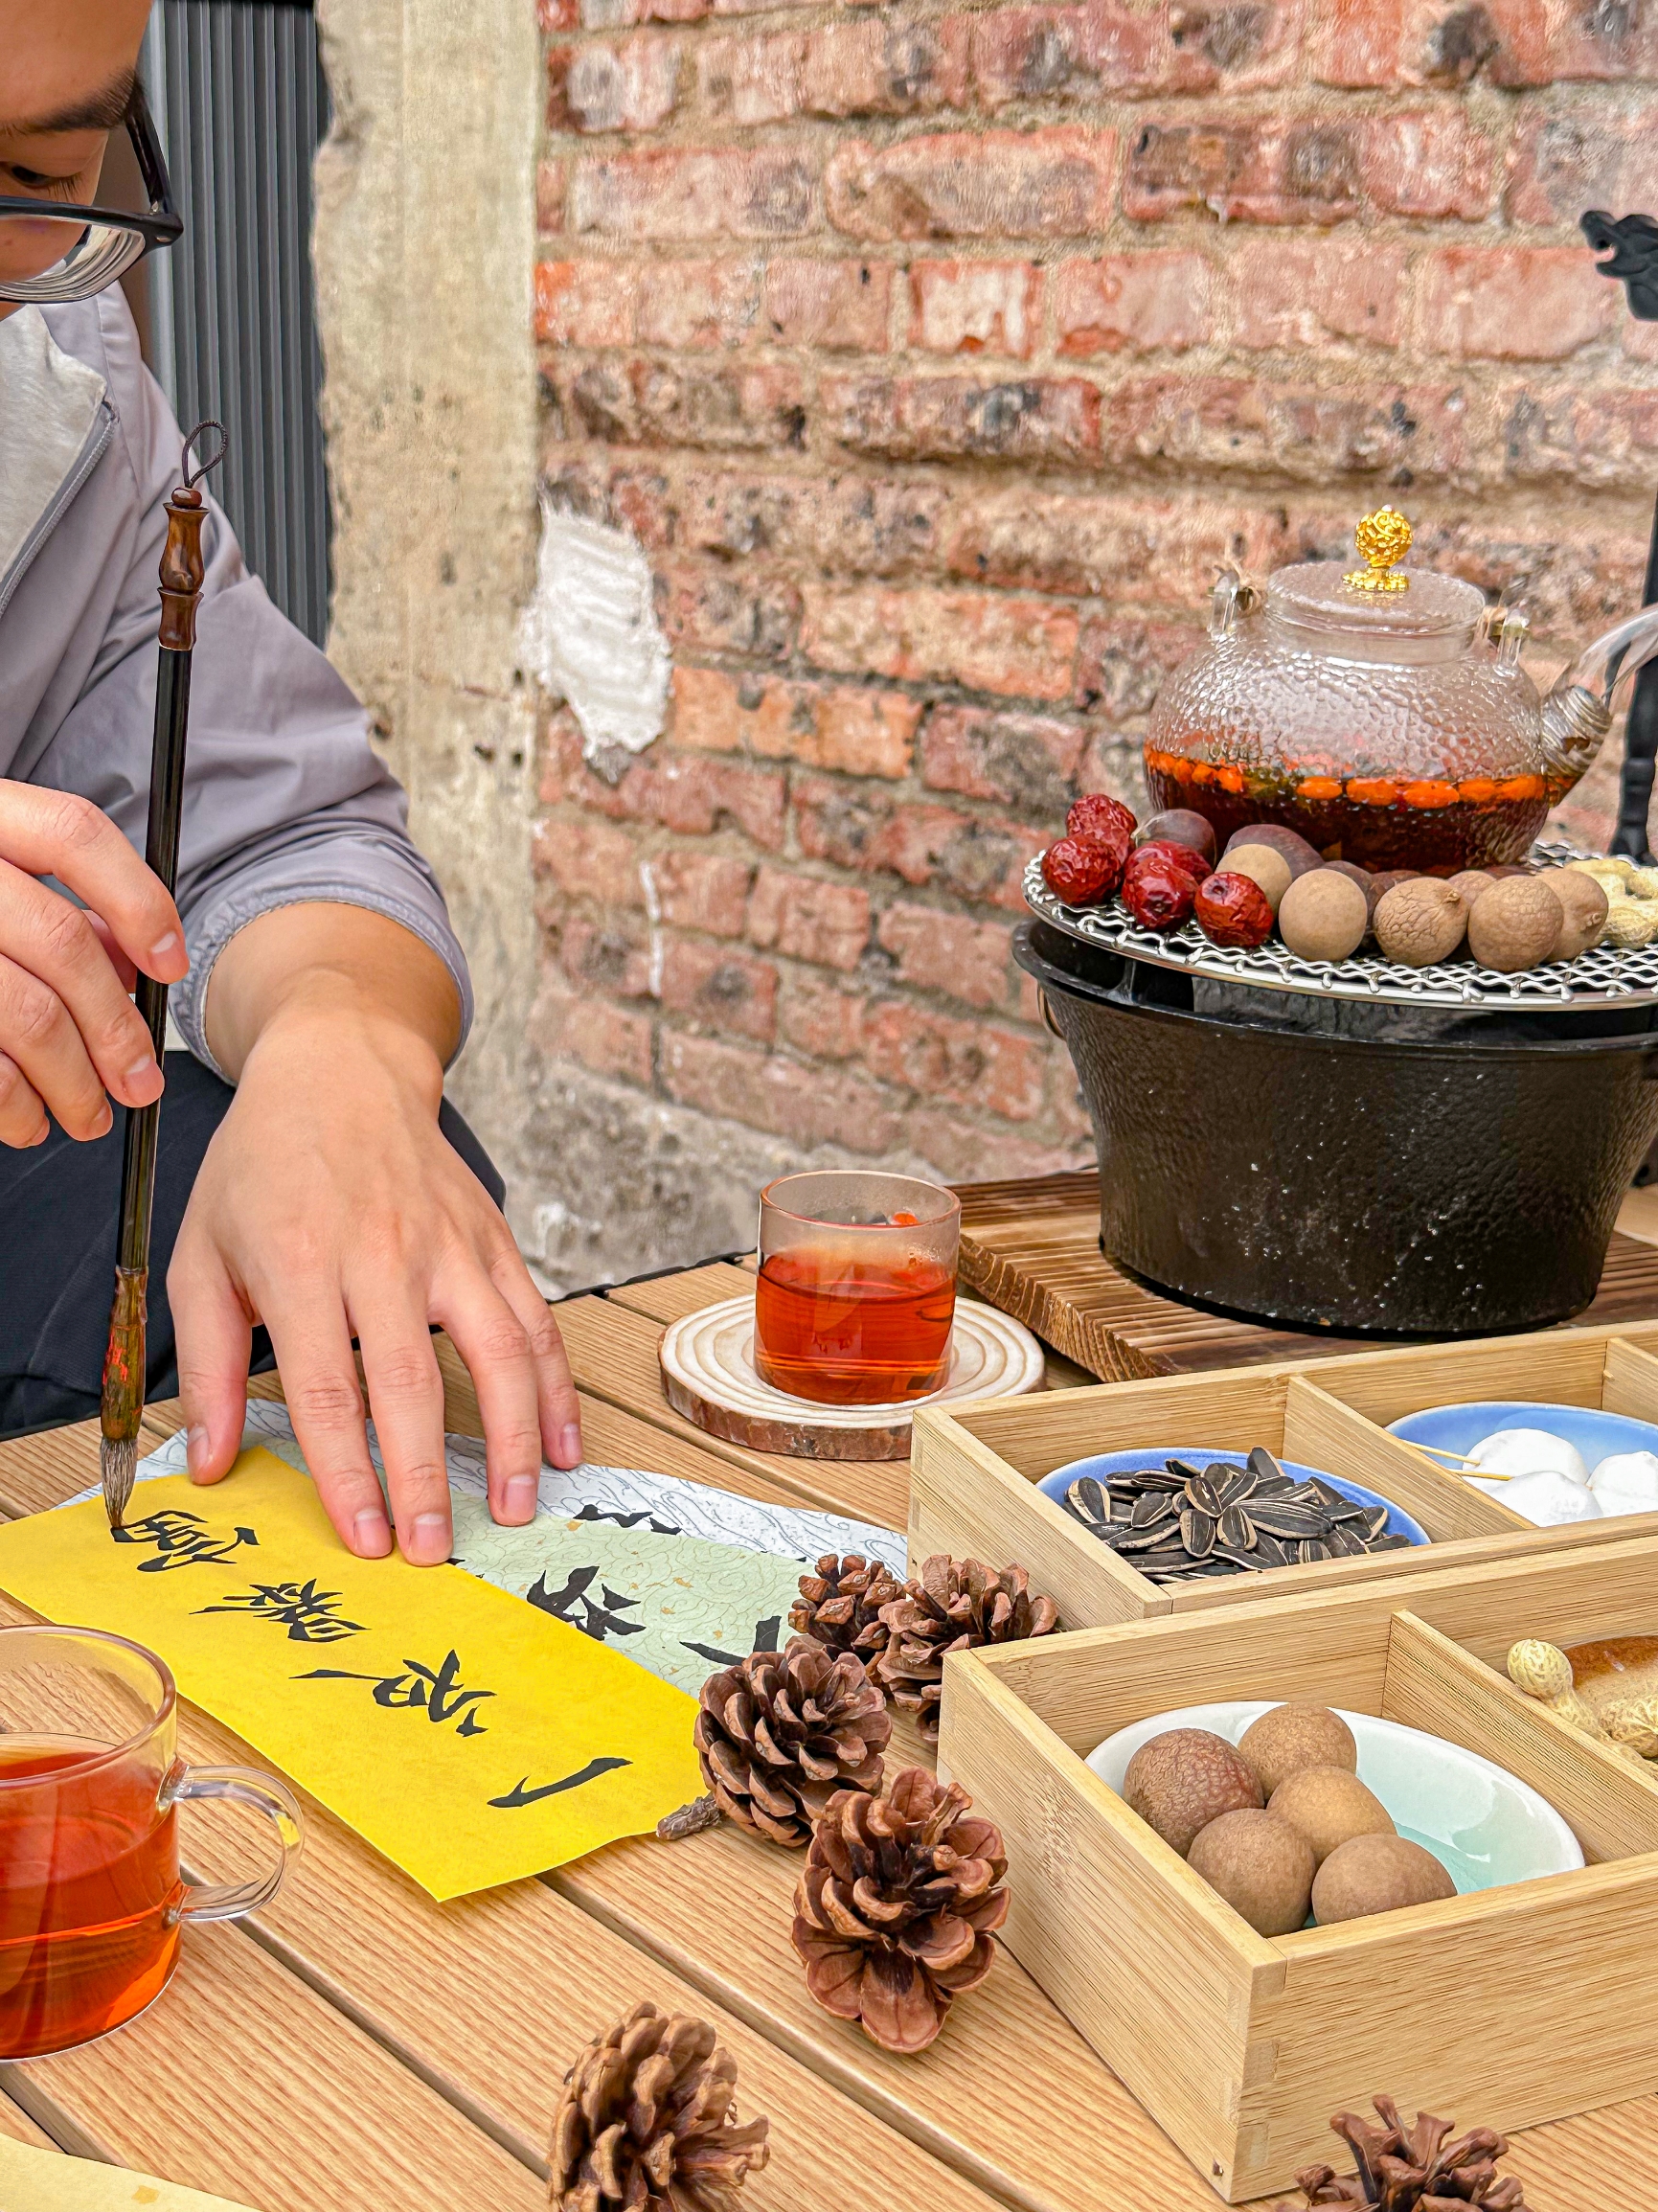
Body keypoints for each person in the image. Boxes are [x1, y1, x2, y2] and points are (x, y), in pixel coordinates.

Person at [0, 0, 581, 1562]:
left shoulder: (61, 370)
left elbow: (279, 825)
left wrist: (337, 1035)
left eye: (39, 170)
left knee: (342, 1184)